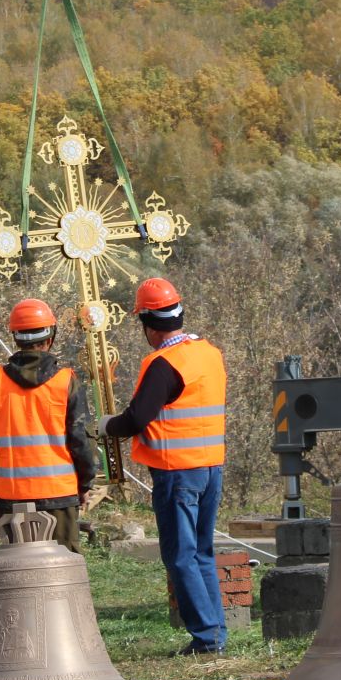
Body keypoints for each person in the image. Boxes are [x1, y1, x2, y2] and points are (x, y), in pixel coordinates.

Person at [105, 277, 228, 655]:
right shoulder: (208, 353)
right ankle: (215, 634)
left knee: (180, 555)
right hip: (210, 467)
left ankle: (206, 639)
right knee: (202, 552)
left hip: (177, 472)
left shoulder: (163, 364)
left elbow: (137, 418)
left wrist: (106, 426)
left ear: (146, 323)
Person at [0, 298, 97, 552]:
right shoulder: (65, 382)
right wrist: (84, 485)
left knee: (20, 578)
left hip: (10, 499)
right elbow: (80, 440)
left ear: (15, 337)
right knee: (63, 576)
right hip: (59, 497)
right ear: (50, 337)